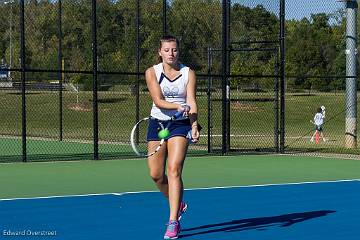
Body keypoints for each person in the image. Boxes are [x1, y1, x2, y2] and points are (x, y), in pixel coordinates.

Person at [145, 35, 200, 239]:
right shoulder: (152, 72)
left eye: (174, 50)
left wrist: (194, 124)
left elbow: (192, 100)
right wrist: (178, 106)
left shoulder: (188, 73)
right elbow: (158, 101)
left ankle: (173, 221)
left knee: (174, 169)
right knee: (156, 174)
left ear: (178, 51)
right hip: (158, 123)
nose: (171, 53)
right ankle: (179, 203)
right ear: (160, 52)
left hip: (180, 125)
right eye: (167, 50)